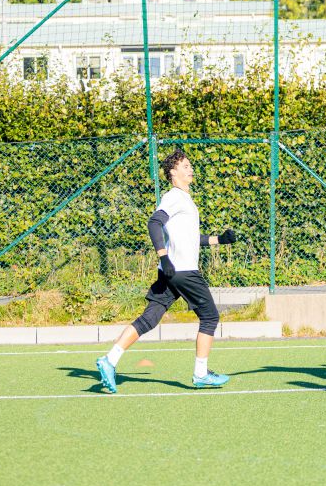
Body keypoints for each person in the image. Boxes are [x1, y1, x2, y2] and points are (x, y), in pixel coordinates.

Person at [96, 148, 237, 393]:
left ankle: (110, 360)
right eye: (185, 166)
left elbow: (191, 239)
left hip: (171, 272)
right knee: (210, 317)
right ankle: (201, 374)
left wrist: (219, 240)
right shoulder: (174, 197)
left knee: (149, 319)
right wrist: (164, 256)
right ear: (173, 172)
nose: (190, 169)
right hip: (182, 271)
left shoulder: (185, 200)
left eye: (190, 166)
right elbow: (154, 222)